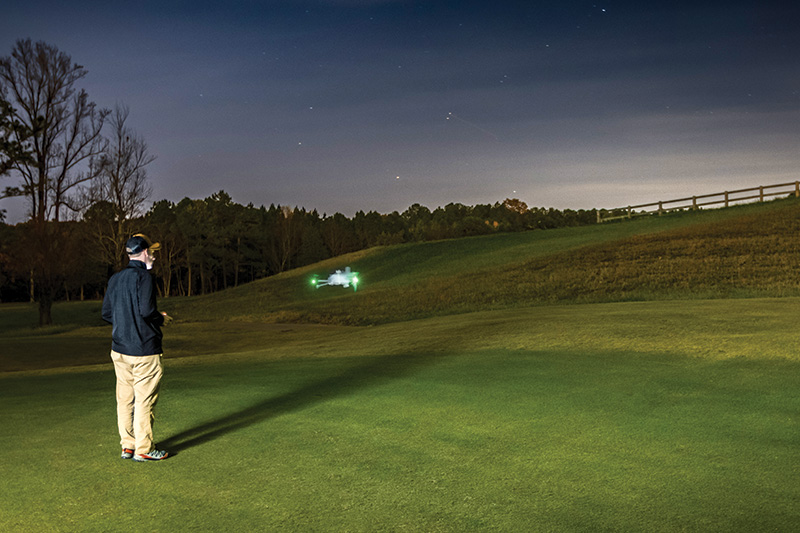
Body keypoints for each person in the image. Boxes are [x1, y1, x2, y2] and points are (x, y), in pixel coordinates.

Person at [102, 234, 172, 462]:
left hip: (119, 351)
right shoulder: (145, 277)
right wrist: (160, 318)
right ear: (142, 252)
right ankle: (143, 449)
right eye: (151, 251)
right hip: (144, 351)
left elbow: (106, 313)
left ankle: (128, 445)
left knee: (125, 399)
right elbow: (146, 311)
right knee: (144, 400)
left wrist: (125, 320)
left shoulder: (115, 279)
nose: (153, 255)